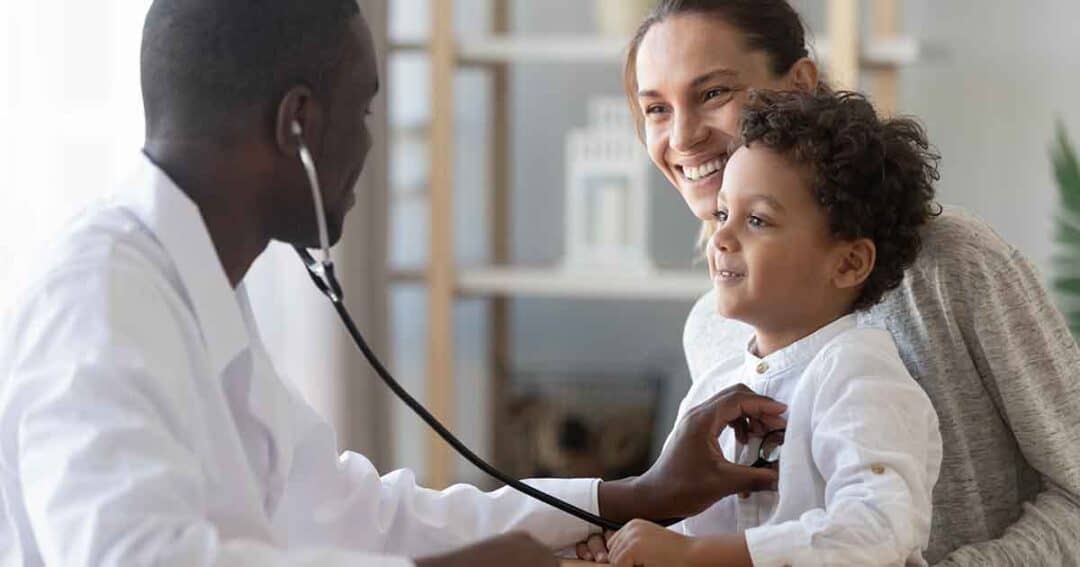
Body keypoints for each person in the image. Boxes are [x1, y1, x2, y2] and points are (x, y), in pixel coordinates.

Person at [0, 1, 789, 566]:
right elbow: (131, 555)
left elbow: (363, 513)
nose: (373, 146)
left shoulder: (199, 290)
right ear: (298, 125)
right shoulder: (99, 295)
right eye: (366, 111)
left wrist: (641, 493)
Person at [578, 0, 1080, 564]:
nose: (685, 136)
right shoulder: (717, 328)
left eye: (713, 93)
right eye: (656, 109)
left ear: (798, 86)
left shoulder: (953, 264)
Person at [608, 88, 945, 566]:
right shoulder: (716, 386)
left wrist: (695, 554)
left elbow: (876, 529)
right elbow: (677, 531)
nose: (721, 237)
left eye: (758, 221)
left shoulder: (861, 379)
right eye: (723, 213)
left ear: (849, 263)